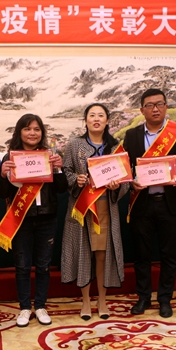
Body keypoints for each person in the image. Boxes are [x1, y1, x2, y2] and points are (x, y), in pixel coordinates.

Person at [124, 89, 176, 318]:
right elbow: (125, 166)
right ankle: (143, 297)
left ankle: (165, 299)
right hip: (142, 202)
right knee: (142, 255)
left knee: (169, 255)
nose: (155, 109)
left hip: (170, 202)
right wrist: (130, 182)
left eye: (159, 104)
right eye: (150, 105)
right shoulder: (132, 135)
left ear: (166, 107)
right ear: (142, 110)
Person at [0, 114, 67, 327]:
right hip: (21, 219)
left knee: (43, 266)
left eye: (36, 129)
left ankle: (41, 306)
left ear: (42, 133)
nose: (32, 133)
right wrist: (2, 175)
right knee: (22, 266)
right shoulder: (11, 157)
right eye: (27, 129)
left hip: (47, 218)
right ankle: (25, 307)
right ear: (19, 132)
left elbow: (62, 188)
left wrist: (59, 168)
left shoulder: (50, 156)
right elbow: (1, 193)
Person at [61, 103, 129, 320]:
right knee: (84, 254)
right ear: (86, 120)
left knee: (102, 255)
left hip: (105, 208)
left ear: (107, 121)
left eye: (101, 115)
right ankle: (85, 301)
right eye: (92, 115)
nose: (96, 119)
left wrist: (117, 186)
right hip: (82, 208)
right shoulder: (75, 145)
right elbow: (66, 171)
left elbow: (126, 179)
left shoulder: (116, 147)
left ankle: (102, 300)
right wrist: (76, 179)